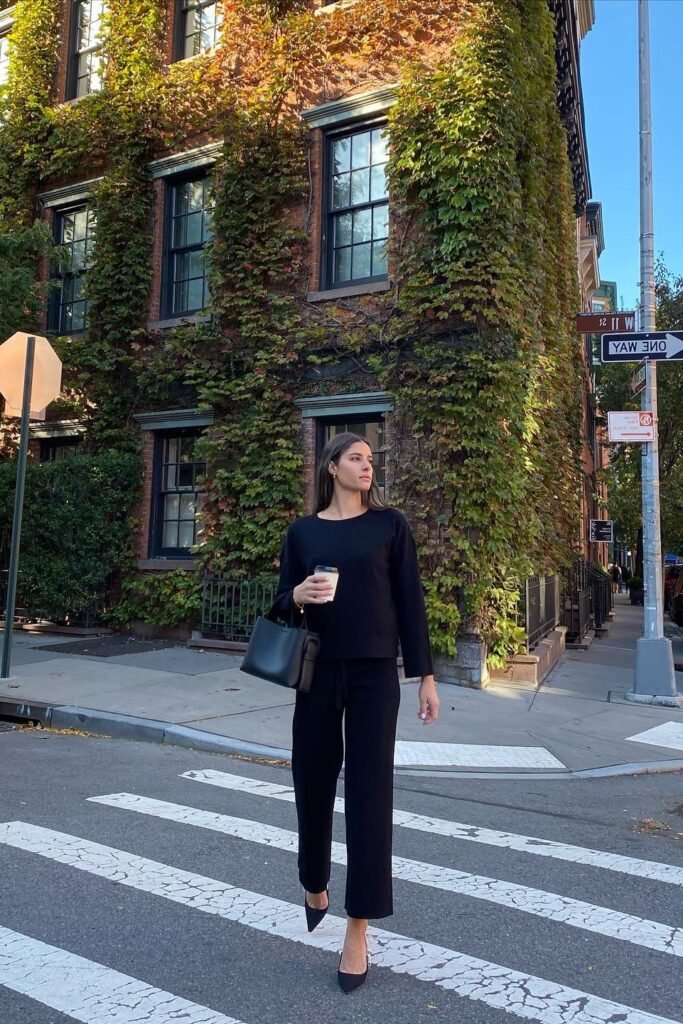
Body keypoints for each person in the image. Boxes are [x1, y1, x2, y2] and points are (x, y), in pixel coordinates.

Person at [274, 432, 439, 993]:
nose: (367, 466)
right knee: (312, 783)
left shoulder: (389, 526)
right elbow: (280, 604)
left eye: (371, 459)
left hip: (374, 675)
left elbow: (410, 599)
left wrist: (425, 677)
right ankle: (313, 879)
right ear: (331, 467)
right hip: (316, 670)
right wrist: (298, 595)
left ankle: (358, 929)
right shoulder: (303, 531)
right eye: (356, 458)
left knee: (370, 796)